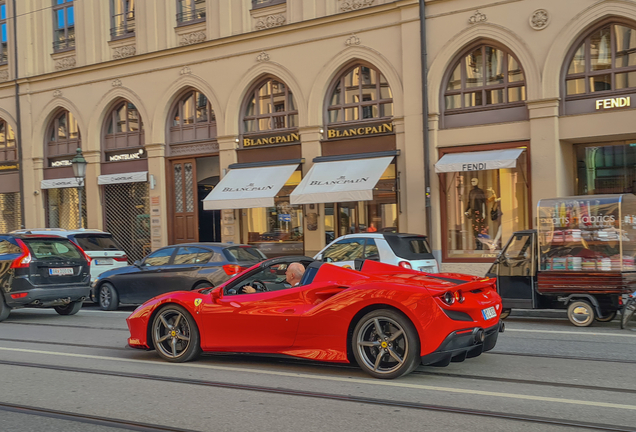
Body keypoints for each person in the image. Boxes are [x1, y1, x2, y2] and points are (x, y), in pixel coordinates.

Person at [241, 262, 306, 293]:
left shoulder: (294, 292)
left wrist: (254, 293)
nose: (285, 273)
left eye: (287, 271)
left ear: (292, 276)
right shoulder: (303, 288)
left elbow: (273, 302)